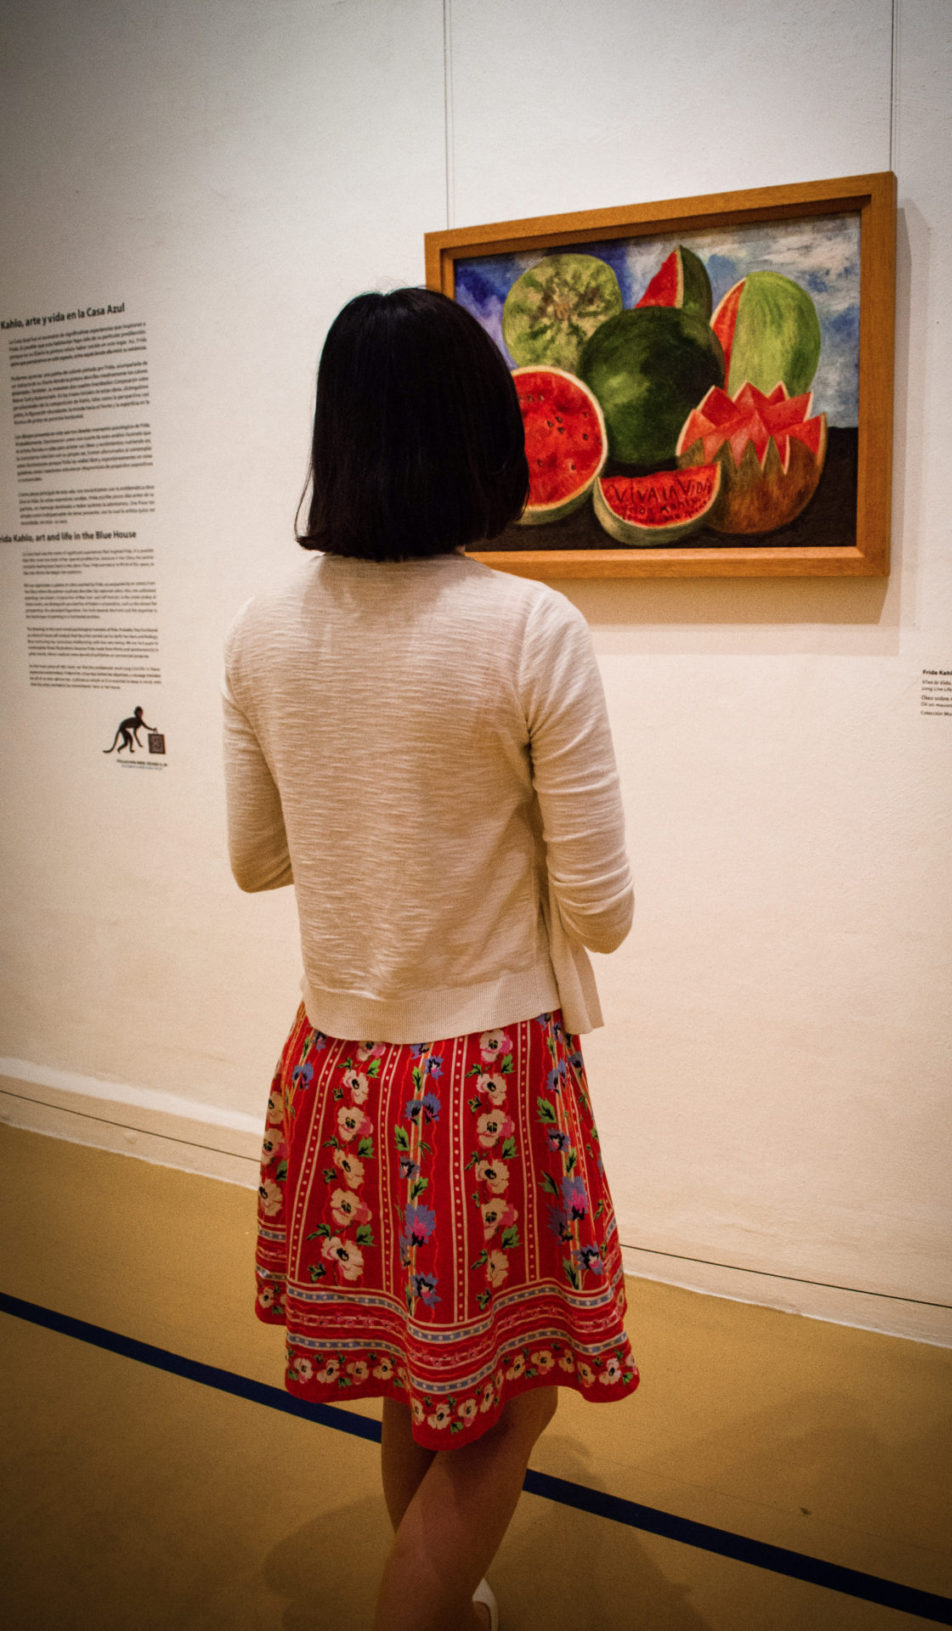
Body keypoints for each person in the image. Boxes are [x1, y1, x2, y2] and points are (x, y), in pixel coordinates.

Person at [223, 287, 638, 1630]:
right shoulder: (530, 629)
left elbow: (256, 859)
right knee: (509, 1403)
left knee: (422, 1377)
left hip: (341, 1066)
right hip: (490, 1078)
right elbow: (606, 908)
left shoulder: (259, 633)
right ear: (481, 440)